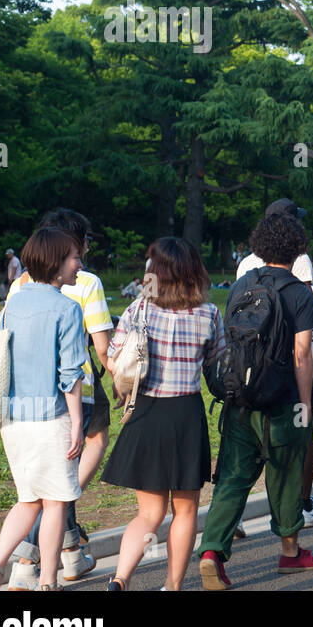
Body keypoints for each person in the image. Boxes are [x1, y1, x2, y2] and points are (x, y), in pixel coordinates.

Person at [198, 214, 313, 589]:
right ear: (298, 249)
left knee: (233, 479)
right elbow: (303, 356)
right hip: (283, 401)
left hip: (239, 399)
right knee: (285, 474)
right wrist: (305, 406)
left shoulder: (240, 286)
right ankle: (290, 552)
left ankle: (211, 551)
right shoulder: (300, 293)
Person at [101, 238, 222, 591]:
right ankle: (172, 586)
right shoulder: (208, 313)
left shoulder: (139, 309)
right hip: (186, 415)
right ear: (193, 271)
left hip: (147, 412)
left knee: (149, 514)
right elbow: (217, 366)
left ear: (154, 273)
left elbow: (112, 359)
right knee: (184, 512)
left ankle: (120, 578)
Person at [5, 208, 113, 589]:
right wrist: (117, 379)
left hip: (23, 399)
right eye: (81, 246)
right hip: (71, 391)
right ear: (70, 248)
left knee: (36, 489)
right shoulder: (86, 284)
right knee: (73, 471)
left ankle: (65, 550)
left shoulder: (21, 284)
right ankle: (33, 562)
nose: (82, 257)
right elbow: (100, 346)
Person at [0, 228, 85, 591]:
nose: (78, 264)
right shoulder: (67, 308)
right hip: (51, 418)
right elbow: (69, 375)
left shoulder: (13, 303)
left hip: (12, 420)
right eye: (72, 257)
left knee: (27, 500)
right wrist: (78, 424)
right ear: (55, 263)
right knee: (54, 505)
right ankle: (48, 582)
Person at [235, 199, 313, 530]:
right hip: (290, 366)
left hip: (250, 368)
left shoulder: (245, 264)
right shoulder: (297, 260)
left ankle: (236, 517)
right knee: (299, 440)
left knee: (247, 445)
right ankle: (302, 506)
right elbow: (306, 319)